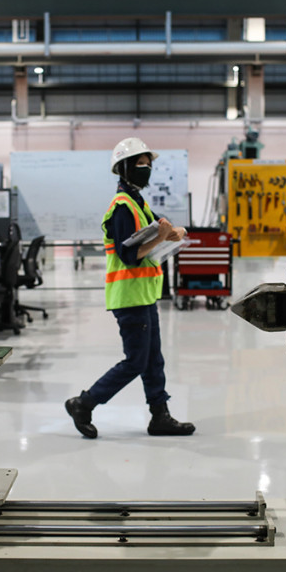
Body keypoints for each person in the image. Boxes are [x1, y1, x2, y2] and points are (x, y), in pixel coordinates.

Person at [65, 138, 196, 439]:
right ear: (124, 168)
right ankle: (83, 404)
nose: (146, 168)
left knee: (153, 359)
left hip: (144, 294)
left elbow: (156, 234)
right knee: (136, 361)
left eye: (148, 164)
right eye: (140, 164)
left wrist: (172, 233)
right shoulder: (122, 208)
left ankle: (160, 416)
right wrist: (160, 236)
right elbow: (129, 256)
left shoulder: (138, 202)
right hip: (129, 297)